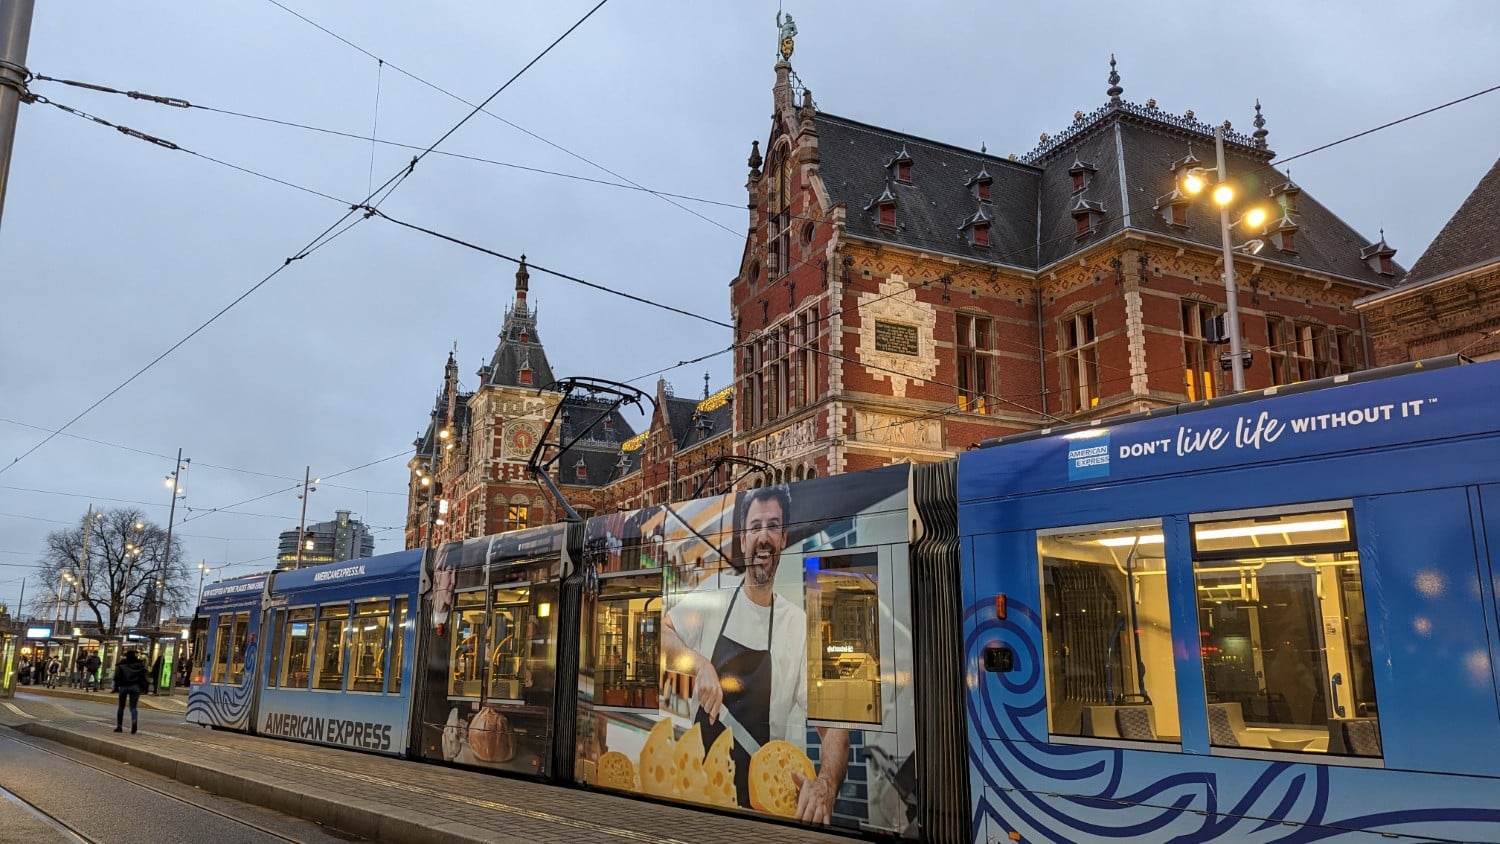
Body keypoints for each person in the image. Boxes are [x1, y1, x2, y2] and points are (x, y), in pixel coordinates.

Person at [661, 485, 848, 824]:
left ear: (783, 538)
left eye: (773, 526)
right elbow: (661, 636)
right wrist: (699, 665)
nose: (764, 537)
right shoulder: (714, 593)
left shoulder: (797, 626)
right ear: (743, 540)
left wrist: (826, 785)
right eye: (755, 527)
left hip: (765, 806)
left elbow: (834, 725)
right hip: (697, 792)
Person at [112, 649, 148, 734]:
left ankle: (119, 726)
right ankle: (134, 721)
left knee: (121, 706)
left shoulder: (121, 665)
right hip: (135, 686)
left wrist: (116, 687)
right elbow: (143, 676)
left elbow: (116, 677)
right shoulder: (139, 664)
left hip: (123, 687)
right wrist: (143, 687)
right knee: (133, 707)